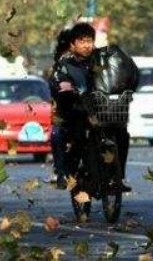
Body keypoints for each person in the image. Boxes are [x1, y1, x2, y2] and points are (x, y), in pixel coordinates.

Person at [48, 22, 131, 192]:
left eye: (89, 41)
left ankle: (118, 177)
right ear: (73, 44)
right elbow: (57, 83)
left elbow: (116, 74)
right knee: (63, 135)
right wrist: (65, 88)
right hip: (72, 110)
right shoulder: (64, 64)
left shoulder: (101, 59)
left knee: (122, 134)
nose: (87, 45)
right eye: (82, 41)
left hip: (100, 110)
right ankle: (64, 173)